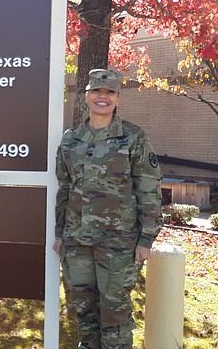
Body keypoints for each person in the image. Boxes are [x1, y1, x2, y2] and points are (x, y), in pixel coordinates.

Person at [53, 68, 163, 349]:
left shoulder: (133, 137)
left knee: (114, 310)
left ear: (117, 98)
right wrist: (59, 233)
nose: (103, 97)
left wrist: (146, 239)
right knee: (83, 307)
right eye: (97, 92)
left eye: (110, 92)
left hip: (119, 243)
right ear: (87, 96)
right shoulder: (70, 139)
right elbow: (64, 188)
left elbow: (149, 188)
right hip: (76, 240)